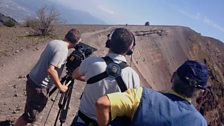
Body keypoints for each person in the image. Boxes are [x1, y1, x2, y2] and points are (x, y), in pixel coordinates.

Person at [96, 60, 209, 126]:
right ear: (200, 92)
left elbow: (102, 103)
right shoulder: (200, 123)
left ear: (173, 76)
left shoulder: (141, 96)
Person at [71, 28, 140, 126]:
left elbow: (74, 75)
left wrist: (90, 79)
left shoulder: (92, 62)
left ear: (109, 42)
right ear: (130, 49)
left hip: (81, 121)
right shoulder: (133, 76)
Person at [14, 28, 81, 126]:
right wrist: (60, 86)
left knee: (30, 111)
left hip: (33, 79)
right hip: (39, 86)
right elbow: (51, 70)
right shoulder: (63, 50)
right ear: (76, 42)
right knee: (29, 116)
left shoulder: (55, 42)